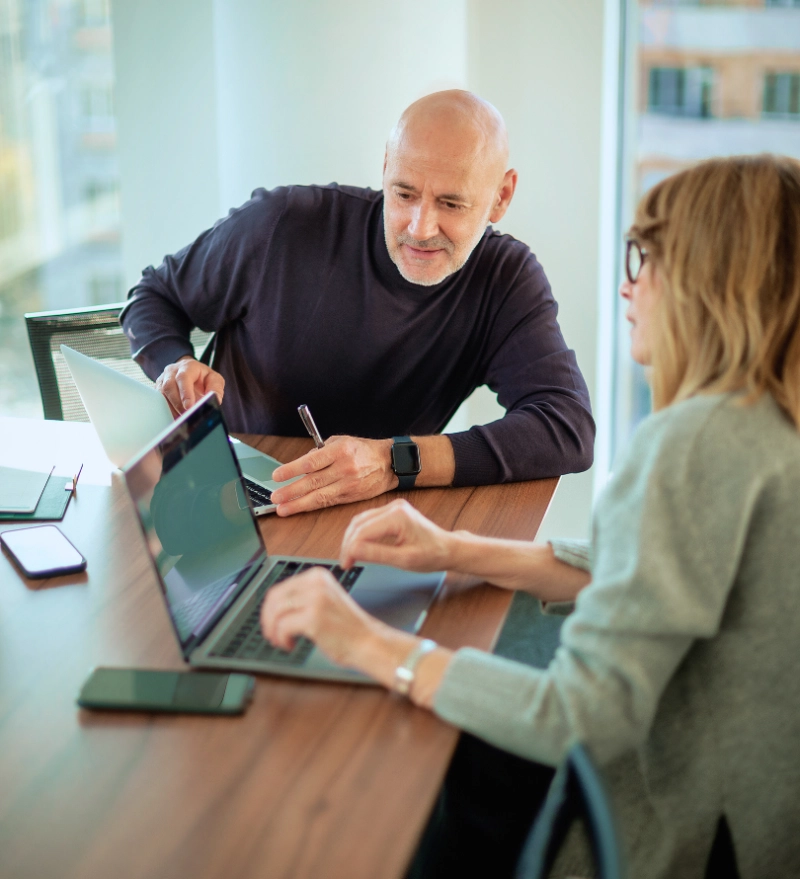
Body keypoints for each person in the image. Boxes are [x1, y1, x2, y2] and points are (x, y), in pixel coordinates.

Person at [259, 154, 800, 878]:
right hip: (761, 816)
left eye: (646, 259)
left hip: (695, 841)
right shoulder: (772, 427)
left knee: (412, 763)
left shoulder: (700, 440)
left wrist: (367, 643)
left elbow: (576, 714)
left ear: (715, 280)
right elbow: (644, 576)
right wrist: (455, 549)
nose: (628, 284)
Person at [120, 90, 594, 516]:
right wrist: (174, 363)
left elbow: (567, 426)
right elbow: (153, 296)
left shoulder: (505, 279)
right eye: (404, 193)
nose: (420, 227)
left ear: (501, 197)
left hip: (371, 517)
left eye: (451, 204)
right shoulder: (283, 224)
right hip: (222, 499)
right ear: (386, 166)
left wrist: (395, 462)